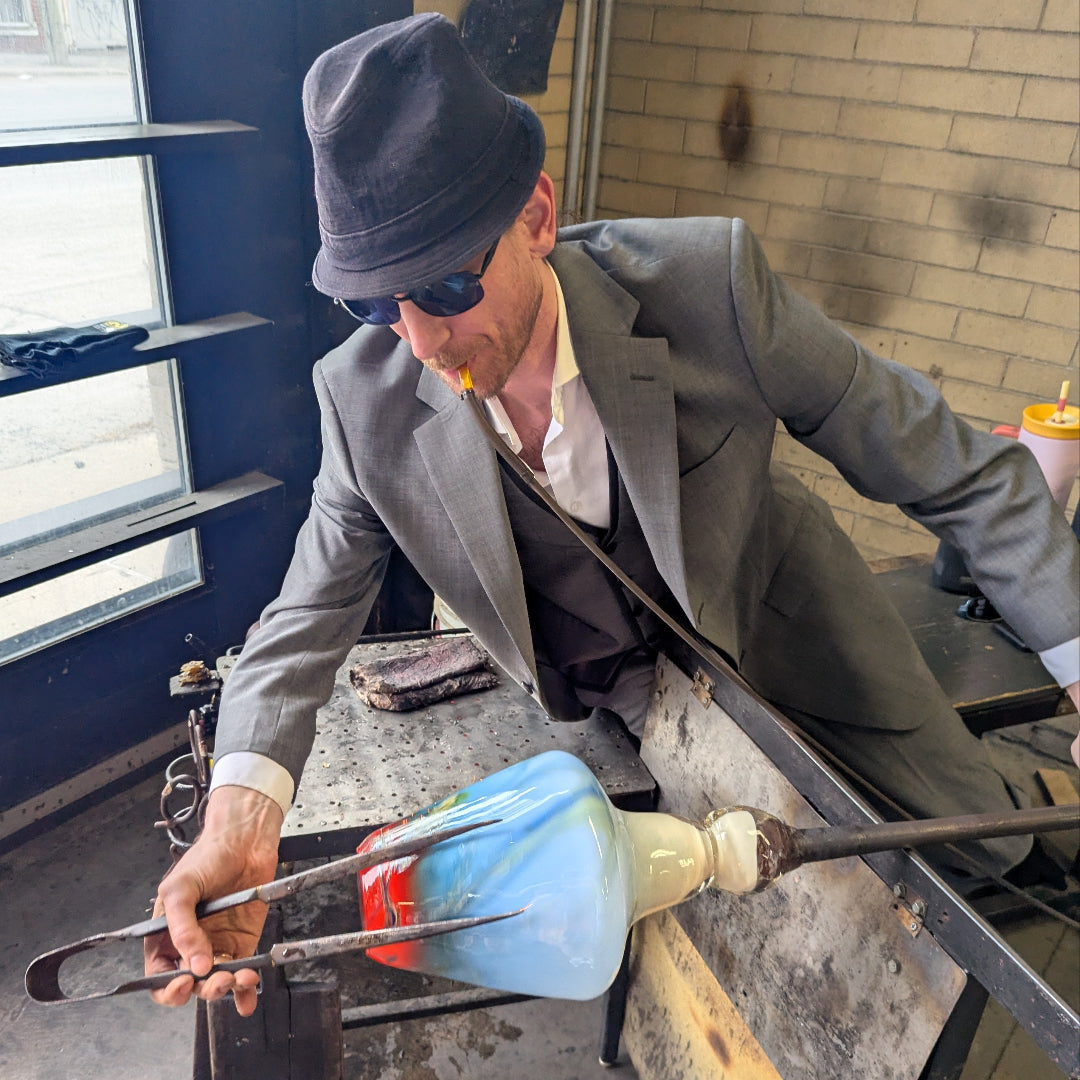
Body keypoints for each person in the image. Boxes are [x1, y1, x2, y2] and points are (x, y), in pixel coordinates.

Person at [146, 13, 1080, 1015]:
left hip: (801, 634)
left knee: (978, 848)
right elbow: (304, 615)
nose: (420, 343)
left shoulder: (709, 288)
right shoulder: (361, 398)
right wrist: (240, 819)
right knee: (774, 953)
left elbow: (957, 470)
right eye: (376, 306)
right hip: (628, 706)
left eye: (449, 285)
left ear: (538, 216)